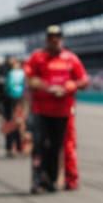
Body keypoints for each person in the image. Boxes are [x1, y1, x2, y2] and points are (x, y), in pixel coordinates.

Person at [23, 25, 88, 193]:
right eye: (51, 38)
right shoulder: (37, 57)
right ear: (47, 40)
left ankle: (51, 180)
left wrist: (70, 86)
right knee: (39, 145)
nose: (54, 40)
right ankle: (38, 181)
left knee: (56, 146)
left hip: (62, 111)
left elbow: (84, 80)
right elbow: (29, 78)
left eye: (57, 37)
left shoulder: (71, 58)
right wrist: (47, 87)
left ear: (61, 39)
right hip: (41, 110)